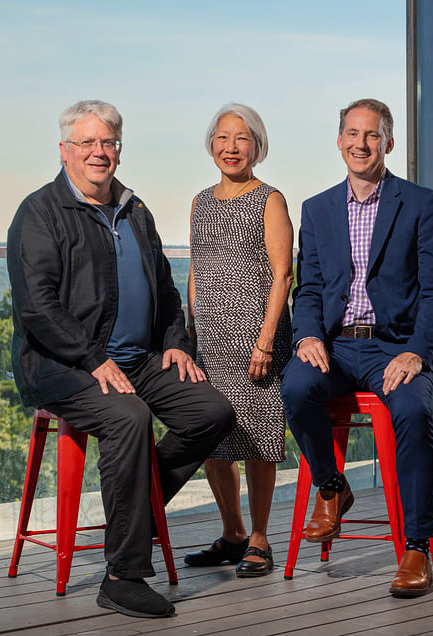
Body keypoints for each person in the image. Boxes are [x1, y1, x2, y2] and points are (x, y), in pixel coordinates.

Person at [7, 100, 235, 618]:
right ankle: (122, 576)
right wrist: (91, 359)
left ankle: (132, 513)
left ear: (119, 149)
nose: (98, 152)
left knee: (213, 412)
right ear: (64, 151)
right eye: (86, 143)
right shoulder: (40, 212)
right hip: (63, 366)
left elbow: (166, 290)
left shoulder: (135, 210)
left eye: (107, 142)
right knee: (128, 418)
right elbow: (37, 307)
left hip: (139, 359)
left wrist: (177, 340)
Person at [281, 98, 433, 596]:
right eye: (352, 134)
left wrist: (418, 350)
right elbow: (308, 289)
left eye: (372, 135)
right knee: (295, 388)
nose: (361, 144)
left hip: (393, 348)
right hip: (334, 346)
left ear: (388, 143)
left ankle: (417, 546)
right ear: (339, 141)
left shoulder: (420, 203)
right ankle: (332, 486)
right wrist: (307, 334)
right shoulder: (316, 209)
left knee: (413, 414)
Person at [184, 103, 293, 577]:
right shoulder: (199, 202)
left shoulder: (270, 199)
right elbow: (197, 267)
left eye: (242, 139)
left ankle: (261, 539)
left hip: (256, 343)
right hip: (209, 344)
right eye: (223, 138)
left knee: (256, 442)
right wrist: (190, 335)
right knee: (213, 439)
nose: (231, 147)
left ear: (257, 147)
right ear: (211, 146)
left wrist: (267, 340)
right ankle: (232, 533)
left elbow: (282, 274)